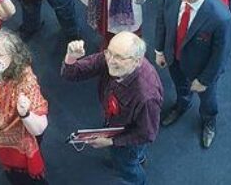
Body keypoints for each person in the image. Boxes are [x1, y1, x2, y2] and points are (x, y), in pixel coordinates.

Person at [155, 0, 231, 149]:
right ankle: (182, 104)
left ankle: (209, 120)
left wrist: (205, 80)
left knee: (208, 99)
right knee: (180, 87)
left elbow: (221, 55)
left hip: (201, 70)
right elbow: (161, 21)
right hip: (173, 58)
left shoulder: (221, 17)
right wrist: (159, 50)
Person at [61, 33, 163, 185]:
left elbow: (146, 134)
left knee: (127, 166)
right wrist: (71, 57)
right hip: (115, 121)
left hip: (129, 136)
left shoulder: (146, 97)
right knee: (129, 157)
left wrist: (111, 142)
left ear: (137, 61)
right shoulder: (111, 57)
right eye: (109, 52)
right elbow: (72, 74)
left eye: (119, 57)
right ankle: (138, 157)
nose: (110, 61)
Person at [0, 30, 49, 184]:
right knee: (10, 170)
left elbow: (40, 127)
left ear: (13, 58)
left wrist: (25, 114)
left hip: (19, 141)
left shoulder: (25, 81)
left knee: (25, 177)